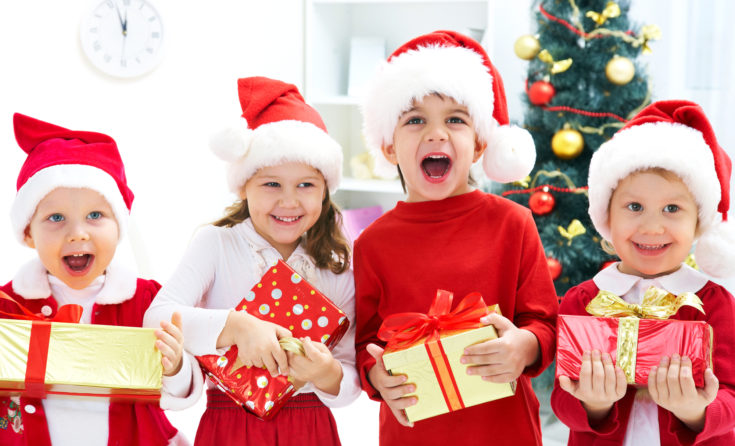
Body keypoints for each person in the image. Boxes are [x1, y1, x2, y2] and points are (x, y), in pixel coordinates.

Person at [354, 30, 558, 446]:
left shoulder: (513, 224)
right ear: (389, 147)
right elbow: (364, 343)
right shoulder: (371, 243)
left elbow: (544, 323)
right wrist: (375, 373)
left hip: (504, 431)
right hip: (413, 433)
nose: (436, 134)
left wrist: (524, 346)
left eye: (455, 119)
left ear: (480, 143)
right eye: (415, 120)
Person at [143, 76, 361, 445]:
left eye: (306, 185)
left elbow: (349, 371)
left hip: (310, 429)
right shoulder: (216, 244)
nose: (289, 202)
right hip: (229, 425)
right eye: (271, 184)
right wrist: (236, 326)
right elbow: (158, 316)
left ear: (326, 190)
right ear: (244, 186)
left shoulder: (337, 263)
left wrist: (326, 373)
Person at [0, 113, 193, 445]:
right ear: (28, 233)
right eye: (56, 217)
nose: (77, 233)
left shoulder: (147, 301)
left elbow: (178, 395)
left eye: (95, 215)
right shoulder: (8, 306)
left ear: (119, 226)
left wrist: (175, 366)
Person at [551, 100, 735, 445]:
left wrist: (695, 410)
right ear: (607, 215)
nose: (652, 227)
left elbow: (732, 395)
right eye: (634, 207)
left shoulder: (714, 303)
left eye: (672, 208)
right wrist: (594, 402)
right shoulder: (583, 300)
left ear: (698, 222)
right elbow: (562, 399)